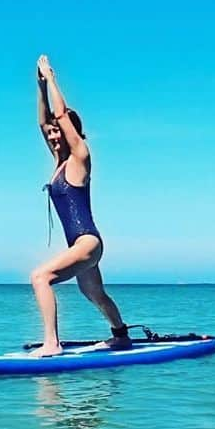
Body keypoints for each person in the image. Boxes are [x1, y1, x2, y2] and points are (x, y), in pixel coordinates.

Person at [31, 54, 130, 356]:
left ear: (69, 132)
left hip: (87, 242)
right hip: (81, 244)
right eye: (50, 133)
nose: (51, 134)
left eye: (57, 131)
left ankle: (52, 343)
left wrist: (51, 79)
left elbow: (60, 116)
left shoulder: (79, 159)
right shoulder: (59, 164)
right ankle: (121, 335)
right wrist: (38, 86)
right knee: (94, 293)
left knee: (41, 277)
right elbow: (43, 120)